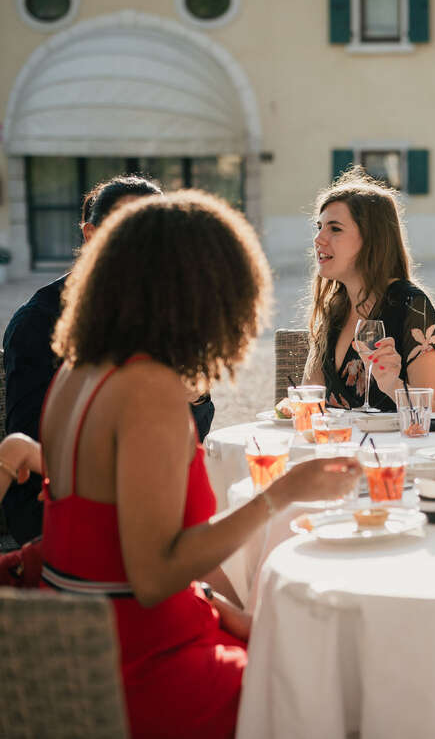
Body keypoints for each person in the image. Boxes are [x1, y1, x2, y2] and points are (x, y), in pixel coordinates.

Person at [40, 190, 361, 738]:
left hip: (79, 646)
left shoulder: (80, 371)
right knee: (332, 692)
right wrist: (279, 494)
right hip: (140, 668)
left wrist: (218, 606)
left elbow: (116, 548)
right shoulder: (146, 390)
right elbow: (155, 575)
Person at [2, 176, 214, 546]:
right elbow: (34, 440)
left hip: (145, 488)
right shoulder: (40, 321)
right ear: (90, 234)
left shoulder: (167, 313)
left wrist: (195, 396)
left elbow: (193, 431)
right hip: (55, 503)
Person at [301, 168, 435, 411]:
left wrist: (391, 383)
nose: (319, 239)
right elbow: (309, 398)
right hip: (338, 446)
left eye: (335, 228)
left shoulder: (410, 305)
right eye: (319, 227)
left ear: (372, 239)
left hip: (393, 448)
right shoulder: (335, 307)